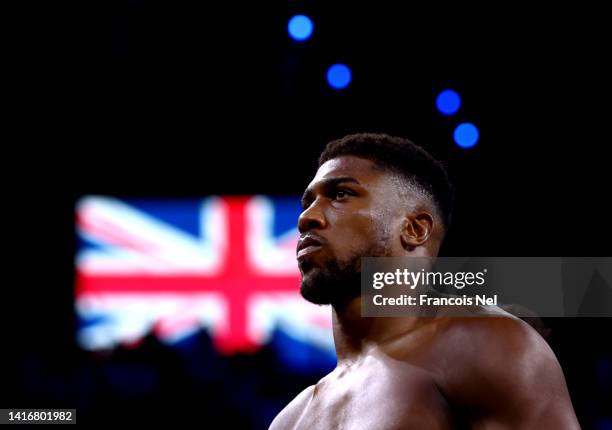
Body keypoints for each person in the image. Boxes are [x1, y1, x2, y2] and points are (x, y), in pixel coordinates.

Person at [269, 133, 579, 429]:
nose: (306, 217)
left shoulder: (487, 347)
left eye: (340, 194)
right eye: (307, 202)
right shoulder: (290, 420)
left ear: (414, 230)